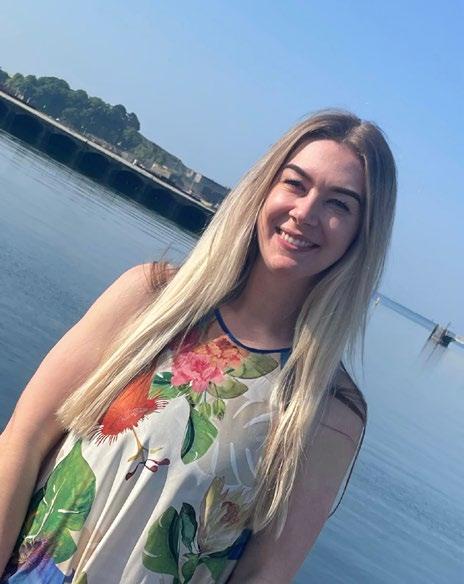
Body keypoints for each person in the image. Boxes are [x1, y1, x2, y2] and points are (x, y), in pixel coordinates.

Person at [0, 110, 396, 583]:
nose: (306, 213)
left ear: (361, 234)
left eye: (339, 204)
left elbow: (263, 574)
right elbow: (23, 440)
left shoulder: (328, 410)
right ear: (264, 189)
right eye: (295, 184)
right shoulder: (148, 300)